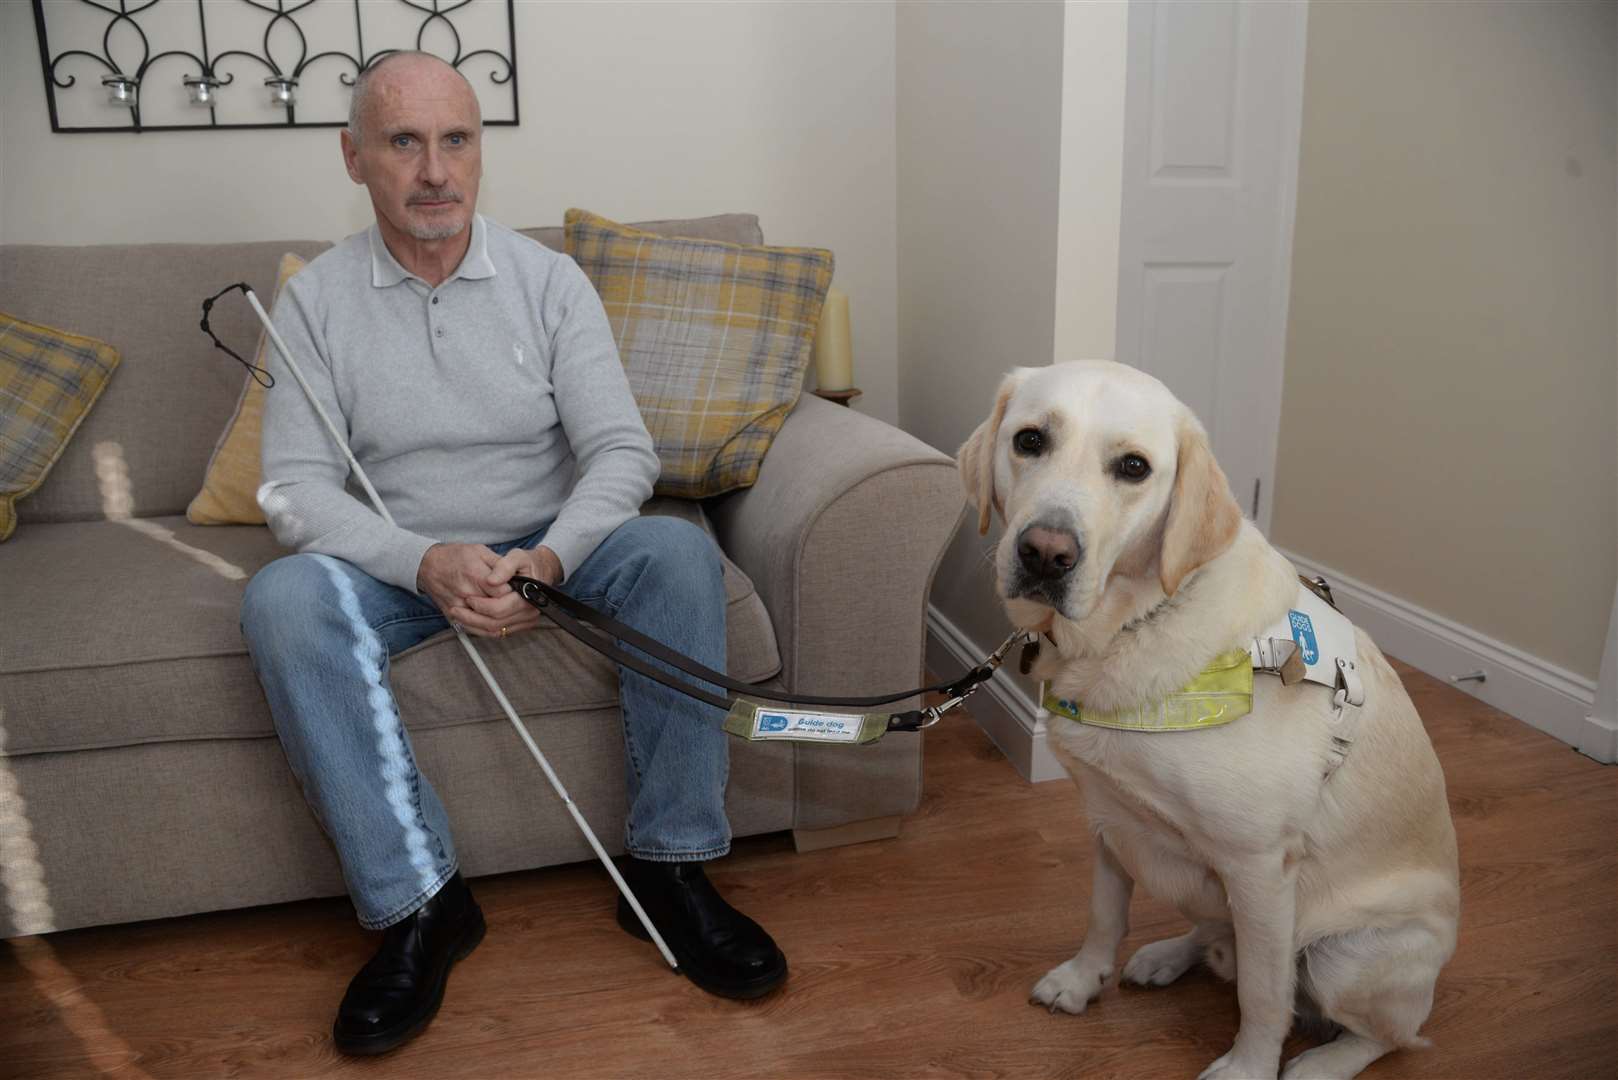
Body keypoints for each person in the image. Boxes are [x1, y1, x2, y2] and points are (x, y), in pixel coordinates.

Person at [239, 50, 786, 1056]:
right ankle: (419, 907)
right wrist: (422, 560)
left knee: (672, 551)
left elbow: (622, 452)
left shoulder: (548, 282)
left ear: (479, 148)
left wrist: (554, 560)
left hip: (550, 545)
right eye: (404, 142)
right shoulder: (314, 299)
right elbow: (295, 492)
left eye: (457, 139)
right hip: (399, 559)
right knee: (281, 600)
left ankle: (667, 872)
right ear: (354, 157)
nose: (436, 169)